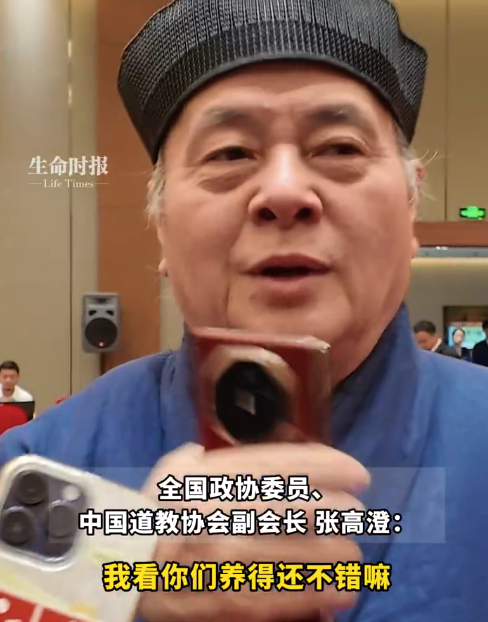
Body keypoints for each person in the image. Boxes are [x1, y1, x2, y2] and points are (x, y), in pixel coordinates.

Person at [1, 0, 488, 620]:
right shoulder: (35, 478)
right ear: (161, 228)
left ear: (410, 207)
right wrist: (124, 588)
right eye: (230, 154)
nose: (285, 191)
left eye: (339, 147)